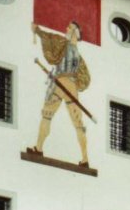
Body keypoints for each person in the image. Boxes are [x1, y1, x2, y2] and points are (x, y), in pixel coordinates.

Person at [29, 20, 91, 166]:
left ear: (76, 32)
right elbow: (49, 37)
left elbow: (48, 37)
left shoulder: (64, 44)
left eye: (70, 27)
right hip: (69, 86)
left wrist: (37, 30)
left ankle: (39, 148)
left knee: (48, 115)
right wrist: (37, 30)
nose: (66, 28)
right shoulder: (77, 56)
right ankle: (85, 158)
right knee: (77, 123)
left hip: (61, 82)